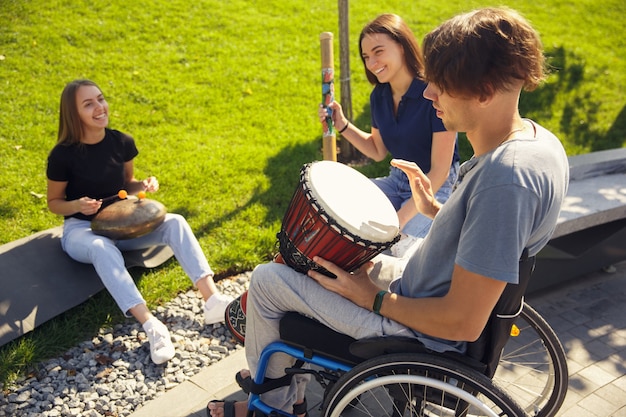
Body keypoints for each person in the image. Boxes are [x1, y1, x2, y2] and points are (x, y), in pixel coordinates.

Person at [208, 7, 569, 417]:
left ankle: (273, 400)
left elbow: (461, 323)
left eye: (442, 86)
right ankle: (288, 391)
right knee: (316, 258)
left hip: (418, 331)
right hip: (419, 283)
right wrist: (436, 211)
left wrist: (373, 299)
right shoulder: (538, 143)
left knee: (269, 280)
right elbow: (490, 236)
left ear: (484, 90)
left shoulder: (507, 179)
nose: (429, 94)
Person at [46, 79, 232, 365]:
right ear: (74, 114)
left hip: (123, 224)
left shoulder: (121, 141)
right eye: (88, 104)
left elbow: (127, 185)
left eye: (100, 98)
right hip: (82, 230)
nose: (99, 107)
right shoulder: (62, 155)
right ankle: (151, 325)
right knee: (101, 247)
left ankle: (212, 301)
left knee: (175, 222)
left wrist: (143, 184)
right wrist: (77, 205)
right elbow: (54, 203)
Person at [319, 13, 459, 256]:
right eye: (366, 57)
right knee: (343, 213)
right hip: (396, 182)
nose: (372, 62)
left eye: (378, 51)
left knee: (399, 248)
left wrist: (398, 220)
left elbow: (440, 171)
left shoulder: (433, 93)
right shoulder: (380, 96)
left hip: (435, 187)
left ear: (402, 47)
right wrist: (342, 124)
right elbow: (377, 150)